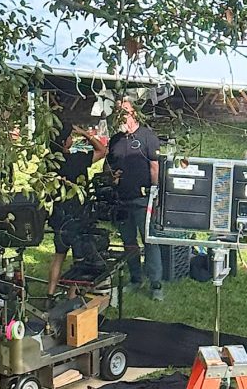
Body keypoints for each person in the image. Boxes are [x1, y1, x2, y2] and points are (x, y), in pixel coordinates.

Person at [107, 99, 164, 300]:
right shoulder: (115, 140)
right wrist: (112, 177)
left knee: (150, 240)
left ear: (134, 114)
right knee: (129, 242)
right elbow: (108, 166)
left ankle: (156, 284)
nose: (121, 116)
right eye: (118, 113)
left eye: (125, 112)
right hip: (121, 199)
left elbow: (154, 166)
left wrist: (154, 192)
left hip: (143, 198)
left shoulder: (148, 137)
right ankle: (135, 279)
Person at [47, 122, 108, 297]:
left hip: (58, 215)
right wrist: (85, 134)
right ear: (66, 142)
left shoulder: (50, 163)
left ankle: (50, 294)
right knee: (78, 261)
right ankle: (71, 297)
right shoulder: (77, 159)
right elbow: (102, 151)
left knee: (58, 255)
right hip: (77, 216)